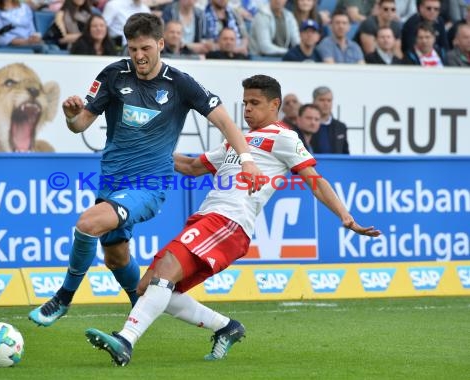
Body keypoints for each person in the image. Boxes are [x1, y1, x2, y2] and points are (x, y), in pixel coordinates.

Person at [84, 74, 381, 366]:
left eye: (255, 103)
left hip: (229, 221)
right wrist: (145, 144)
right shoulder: (237, 142)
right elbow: (189, 166)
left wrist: (346, 216)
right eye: (244, 103)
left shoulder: (284, 137)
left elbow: (314, 179)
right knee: (148, 287)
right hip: (208, 219)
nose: (247, 109)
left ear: (274, 104)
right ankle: (226, 327)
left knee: (163, 272)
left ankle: (125, 340)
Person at [28, 13, 262, 327]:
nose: (139, 55)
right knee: (116, 257)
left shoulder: (179, 83)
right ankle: (141, 306)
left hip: (150, 185)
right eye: (133, 48)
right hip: (111, 182)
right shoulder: (113, 75)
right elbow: (80, 124)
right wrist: (72, 116)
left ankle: (63, 298)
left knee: (87, 223)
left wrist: (247, 159)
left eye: (146, 48)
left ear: (161, 44)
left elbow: (224, 122)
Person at [311, 86, 350, 154]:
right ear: (314, 102)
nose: (326, 104)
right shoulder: (307, 124)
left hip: (336, 164)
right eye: (322, 100)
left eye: (329, 100)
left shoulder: (340, 127)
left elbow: (345, 154)